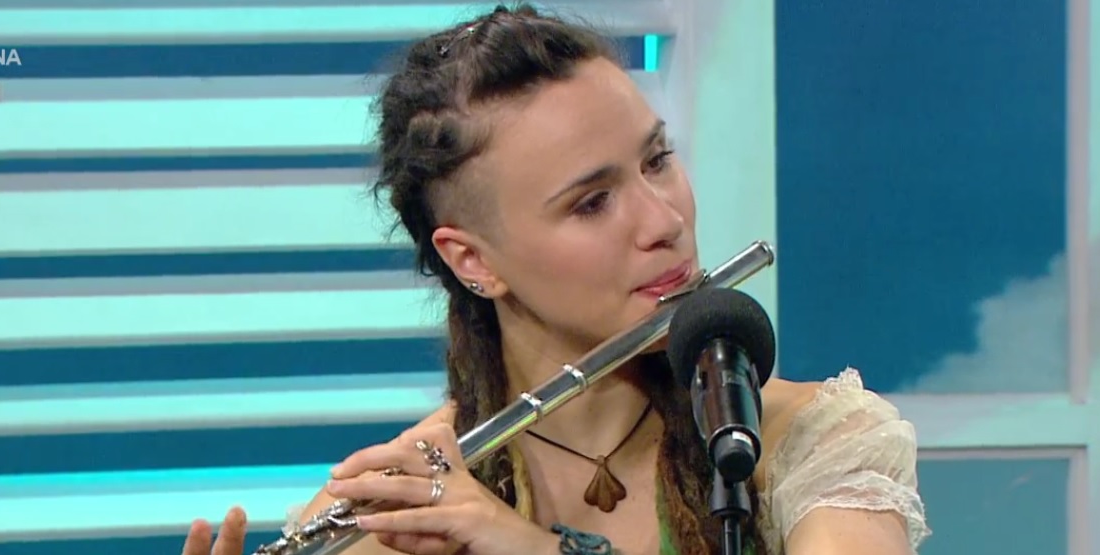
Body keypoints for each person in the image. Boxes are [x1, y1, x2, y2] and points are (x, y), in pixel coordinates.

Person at [182, 4, 931, 555]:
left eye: (656, 160)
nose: (663, 218)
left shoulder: (815, 441)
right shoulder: (396, 511)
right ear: (473, 261)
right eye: (591, 202)